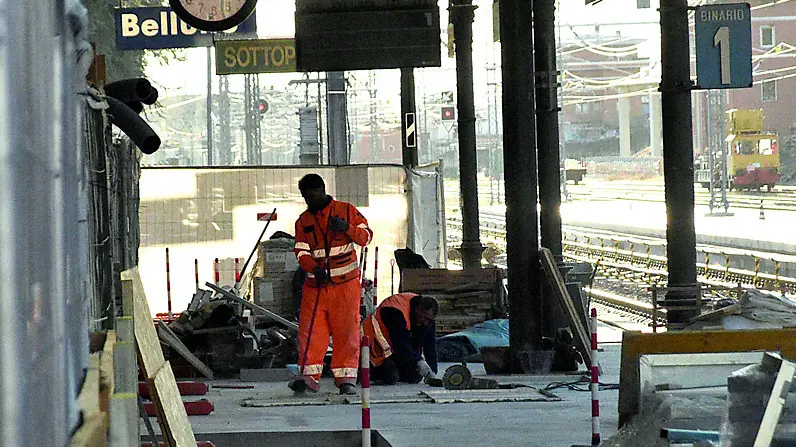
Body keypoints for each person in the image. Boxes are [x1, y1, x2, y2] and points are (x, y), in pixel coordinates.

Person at [289, 174, 373, 395]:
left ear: (321, 190)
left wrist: (346, 228)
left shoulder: (346, 211)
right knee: (310, 334)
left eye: (311, 195)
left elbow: (365, 237)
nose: (308, 201)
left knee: (347, 332)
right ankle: (308, 378)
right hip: (315, 287)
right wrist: (313, 269)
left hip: (346, 287)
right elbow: (300, 251)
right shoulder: (303, 221)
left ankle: (346, 380)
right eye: (304, 197)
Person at [362, 292, 439, 385]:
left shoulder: (426, 318)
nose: (426, 323)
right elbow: (400, 344)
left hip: (393, 348)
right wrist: (419, 362)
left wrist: (432, 372)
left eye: (430, 320)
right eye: (425, 319)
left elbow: (430, 344)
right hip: (373, 351)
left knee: (415, 375)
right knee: (390, 376)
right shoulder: (395, 311)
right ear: (418, 310)